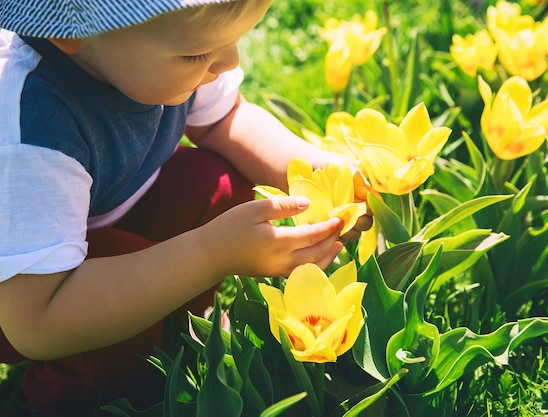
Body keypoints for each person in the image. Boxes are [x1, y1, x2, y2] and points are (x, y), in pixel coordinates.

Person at [0, 0, 372, 415]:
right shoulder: (32, 131)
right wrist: (209, 254)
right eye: (198, 53)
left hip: (94, 221)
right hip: (27, 286)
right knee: (116, 276)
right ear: (72, 33)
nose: (228, 62)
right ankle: (86, 394)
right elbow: (34, 322)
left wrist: (322, 174)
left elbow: (224, 120)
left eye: (233, 41)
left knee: (214, 184)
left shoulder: (145, 53)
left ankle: (175, 324)